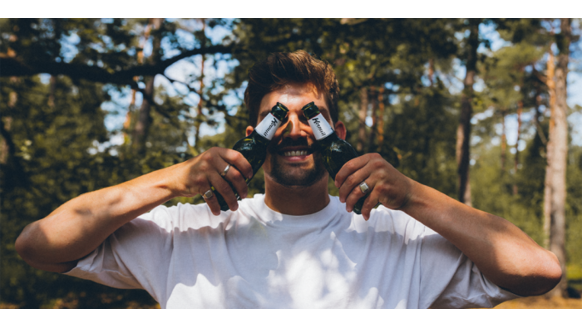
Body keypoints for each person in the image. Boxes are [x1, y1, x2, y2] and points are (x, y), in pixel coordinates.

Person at [15, 50, 561, 309]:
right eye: (280, 117)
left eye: (311, 116)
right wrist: (172, 180)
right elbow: (38, 245)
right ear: (254, 132)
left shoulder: (401, 238)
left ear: (337, 131)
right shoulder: (185, 230)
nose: (296, 130)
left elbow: (539, 270)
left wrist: (413, 194)